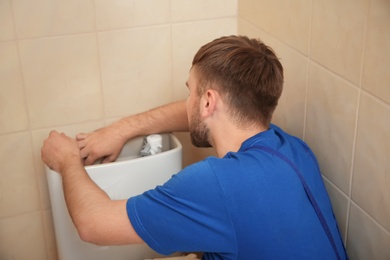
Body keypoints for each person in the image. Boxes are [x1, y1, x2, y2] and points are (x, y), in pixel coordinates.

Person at [41, 35, 348, 259]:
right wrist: (121, 129)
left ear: (208, 101)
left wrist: (68, 159)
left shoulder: (215, 182)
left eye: (190, 92)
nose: (186, 103)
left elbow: (93, 226)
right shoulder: (292, 149)